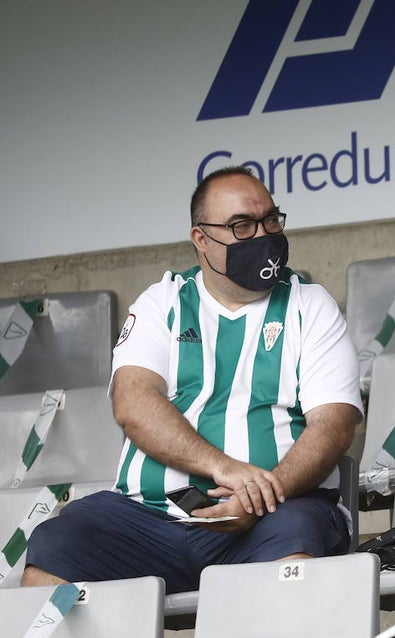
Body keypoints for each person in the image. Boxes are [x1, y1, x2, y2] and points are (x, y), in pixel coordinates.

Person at [22, 166, 362, 593]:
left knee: (297, 537)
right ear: (201, 239)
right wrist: (227, 470)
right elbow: (134, 404)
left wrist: (261, 495)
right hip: (148, 517)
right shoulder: (162, 301)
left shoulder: (309, 306)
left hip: (275, 512)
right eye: (241, 226)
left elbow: (334, 426)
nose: (263, 236)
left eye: (271, 220)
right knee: (57, 542)